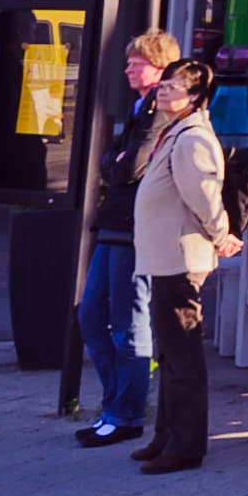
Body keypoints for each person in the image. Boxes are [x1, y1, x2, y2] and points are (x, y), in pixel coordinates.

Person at [128, 57, 240, 475]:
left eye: (173, 87)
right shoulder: (174, 131)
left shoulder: (192, 138)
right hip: (165, 257)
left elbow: (206, 199)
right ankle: (165, 436)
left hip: (180, 257)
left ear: (194, 97)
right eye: (164, 85)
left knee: (182, 356)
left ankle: (186, 445)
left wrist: (221, 235)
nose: (163, 92)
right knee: (170, 354)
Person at [74, 29, 177, 450]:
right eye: (129, 61)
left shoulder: (158, 112)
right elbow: (109, 162)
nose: (128, 68)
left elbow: (128, 167)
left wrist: (115, 162)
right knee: (91, 316)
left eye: (138, 62)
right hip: (113, 224)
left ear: (160, 68)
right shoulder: (139, 108)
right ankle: (114, 403)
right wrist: (112, 161)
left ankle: (127, 414)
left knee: (129, 324)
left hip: (136, 230)